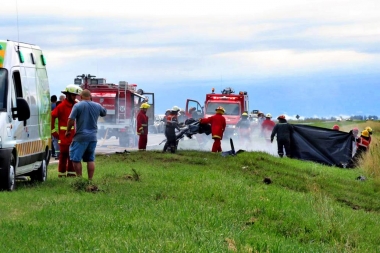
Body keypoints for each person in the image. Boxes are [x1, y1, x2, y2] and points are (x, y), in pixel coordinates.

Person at [66, 89, 107, 180]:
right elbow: (104, 113)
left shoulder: (77, 106)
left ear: (80, 97)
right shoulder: (97, 105)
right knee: (90, 159)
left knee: (76, 159)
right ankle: (90, 180)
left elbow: (71, 120)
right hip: (93, 137)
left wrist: (68, 131)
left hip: (80, 137)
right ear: (90, 97)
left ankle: (80, 179)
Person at [51, 84, 82, 177]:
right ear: (67, 95)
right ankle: (61, 173)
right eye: (73, 95)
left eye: (75, 95)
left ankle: (71, 174)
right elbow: (52, 116)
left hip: (73, 136)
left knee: (72, 155)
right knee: (63, 155)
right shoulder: (61, 106)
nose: (74, 97)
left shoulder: (75, 105)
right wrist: (53, 131)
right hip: (64, 136)